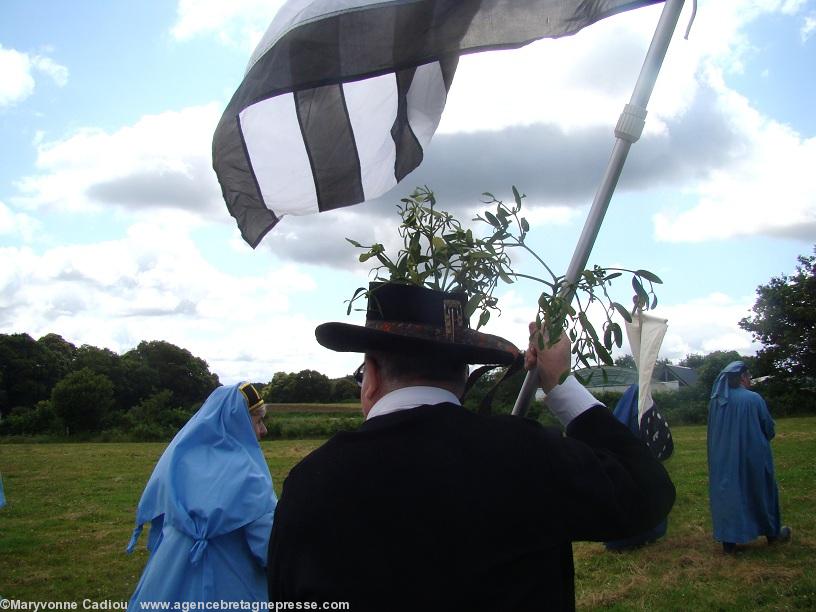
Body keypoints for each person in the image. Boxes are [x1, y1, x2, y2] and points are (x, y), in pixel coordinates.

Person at [267, 282, 675, 611]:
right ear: (463, 376)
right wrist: (560, 382)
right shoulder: (528, 453)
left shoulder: (311, 482)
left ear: (370, 374)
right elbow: (647, 491)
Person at [127, 382, 277, 604]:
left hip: (166, 581)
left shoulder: (179, 461)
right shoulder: (248, 476)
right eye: (257, 421)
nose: (263, 430)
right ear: (239, 424)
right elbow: (269, 548)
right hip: (227, 589)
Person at [708, 361, 791, 554]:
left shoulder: (716, 401)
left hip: (723, 457)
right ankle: (772, 534)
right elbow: (768, 428)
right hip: (753, 455)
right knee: (760, 490)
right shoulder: (753, 399)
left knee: (728, 494)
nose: (750, 380)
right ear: (743, 377)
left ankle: (729, 543)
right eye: (749, 376)